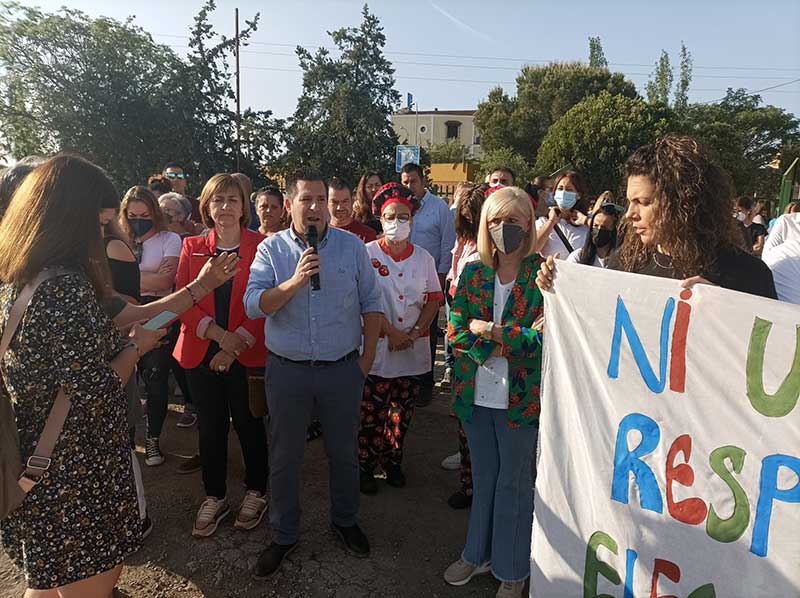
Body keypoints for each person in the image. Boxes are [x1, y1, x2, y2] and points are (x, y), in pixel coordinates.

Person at [0, 154, 167, 597]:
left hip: (35, 460)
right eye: (99, 223)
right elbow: (94, 389)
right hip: (75, 473)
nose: (103, 235)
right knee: (89, 585)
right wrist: (137, 347)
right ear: (71, 219)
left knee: (47, 582)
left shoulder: (19, 274)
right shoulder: (67, 286)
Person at [244, 171, 383, 578]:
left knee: (343, 453)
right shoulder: (271, 250)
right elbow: (255, 305)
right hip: (287, 372)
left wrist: (365, 361)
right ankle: (284, 534)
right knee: (285, 457)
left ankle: (345, 520)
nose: (316, 208)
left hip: (342, 370)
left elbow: (372, 302)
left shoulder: (353, 247)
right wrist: (294, 281)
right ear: (290, 205)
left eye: (321, 200)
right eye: (306, 200)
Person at [443, 186, 544, 598]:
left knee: (514, 484)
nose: (506, 229)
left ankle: (512, 567)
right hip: (476, 398)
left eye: (515, 221)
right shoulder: (473, 272)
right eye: (497, 221)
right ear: (486, 226)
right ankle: (476, 553)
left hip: (519, 402)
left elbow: (543, 343)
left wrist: (492, 332)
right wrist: (502, 344)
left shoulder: (544, 276)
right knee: (484, 480)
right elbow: (456, 330)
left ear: (529, 225)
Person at [537, 135, 777, 299]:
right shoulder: (623, 265)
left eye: (642, 202)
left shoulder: (749, 276)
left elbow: (770, 358)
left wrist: (728, 307)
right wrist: (557, 287)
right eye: (630, 202)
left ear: (683, 203)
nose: (630, 214)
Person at [172, 173, 269, 538]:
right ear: (206, 206)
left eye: (232, 199)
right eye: (218, 200)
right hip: (201, 351)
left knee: (248, 423)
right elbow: (183, 299)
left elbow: (267, 303)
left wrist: (233, 345)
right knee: (210, 427)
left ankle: (256, 490)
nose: (225, 207)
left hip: (246, 351)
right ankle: (214, 495)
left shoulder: (262, 246)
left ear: (244, 206)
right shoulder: (192, 246)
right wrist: (218, 337)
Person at [359, 183, 443, 494]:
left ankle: (393, 461)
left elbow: (434, 300)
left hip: (411, 351)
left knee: (400, 414)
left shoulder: (423, 258)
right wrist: (393, 334)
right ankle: (365, 465)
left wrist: (415, 333)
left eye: (403, 216)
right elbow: (362, 302)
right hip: (377, 350)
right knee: (370, 414)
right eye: (390, 216)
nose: (397, 222)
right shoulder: (366, 255)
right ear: (380, 219)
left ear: (413, 219)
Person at [119, 186, 183, 466]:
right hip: (123, 312)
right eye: (133, 215)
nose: (138, 220)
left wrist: (126, 278)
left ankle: (153, 439)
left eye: (144, 215)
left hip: (159, 311)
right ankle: (128, 440)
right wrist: (148, 277)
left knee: (155, 374)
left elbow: (165, 282)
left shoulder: (170, 239)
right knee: (124, 377)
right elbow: (106, 283)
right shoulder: (118, 239)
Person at [440, 182, 488, 511]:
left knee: (481, 425)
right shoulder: (461, 244)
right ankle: (470, 484)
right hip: (461, 346)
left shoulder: (489, 253)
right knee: (464, 417)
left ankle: (479, 490)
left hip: (482, 348)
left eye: (475, 215)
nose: (468, 220)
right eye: (464, 215)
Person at [400, 163, 456, 406]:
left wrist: (441, 277)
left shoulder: (439, 208)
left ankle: (424, 383)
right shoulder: (401, 207)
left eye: (413, 181)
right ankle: (404, 379)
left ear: (424, 182)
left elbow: (447, 244)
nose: (409, 186)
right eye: (405, 182)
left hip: (429, 279)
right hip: (401, 280)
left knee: (427, 330)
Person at [534, 170, 590, 258]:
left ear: (578, 195)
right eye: (560, 188)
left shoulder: (587, 220)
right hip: (555, 270)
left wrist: (585, 221)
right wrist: (551, 222)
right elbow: (535, 247)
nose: (563, 193)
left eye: (569, 189)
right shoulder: (543, 220)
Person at [565, 200, 624, 267]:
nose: (599, 230)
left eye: (604, 227)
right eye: (595, 225)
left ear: (613, 230)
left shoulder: (621, 261)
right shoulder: (578, 257)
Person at [328, 177, 378, 243]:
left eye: (344, 201)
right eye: (334, 202)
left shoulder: (367, 235)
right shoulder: (319, 234)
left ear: (352, 201)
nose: (339, 207)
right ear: (326, 202)